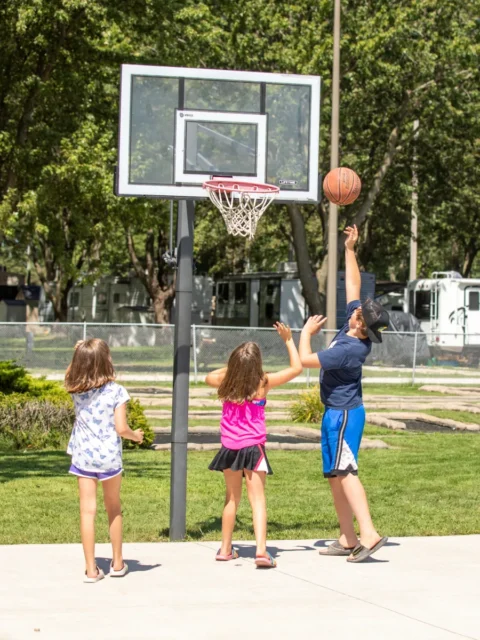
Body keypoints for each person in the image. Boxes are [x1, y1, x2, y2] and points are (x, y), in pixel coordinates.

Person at [299, 225, 390, 563]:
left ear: (361, 323)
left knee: (347, 471)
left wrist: (305, 333)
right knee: (335, 475)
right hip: (334, 412)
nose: (355, 308)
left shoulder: (351, 349)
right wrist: (350, 248)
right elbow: (353, 284)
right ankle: (348, 537)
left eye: (358, 311)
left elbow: (307, 360)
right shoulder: (351, 327)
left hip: (345, 415)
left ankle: (369, 533)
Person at [206, 323, 302, 569]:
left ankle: (225, 549)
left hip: (229, 448)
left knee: (231, 498)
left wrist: (233, 369)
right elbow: (296, 368)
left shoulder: (224, 381)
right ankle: (261, 552)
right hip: (253, 448)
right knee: (257, 500)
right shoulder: (263, 382)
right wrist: (288, 340)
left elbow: (207, 377)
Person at [65, 339, 144, 582]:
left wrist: (76, 352)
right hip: (109, 458)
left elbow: (70, 373)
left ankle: (91, 569)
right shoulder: (117, 391)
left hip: (83, 457)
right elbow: (121, 428)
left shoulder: (74, 386)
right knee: (113, 507)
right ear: (106, 360)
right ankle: (118, 563)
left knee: (87, 512)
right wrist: (136, 436)